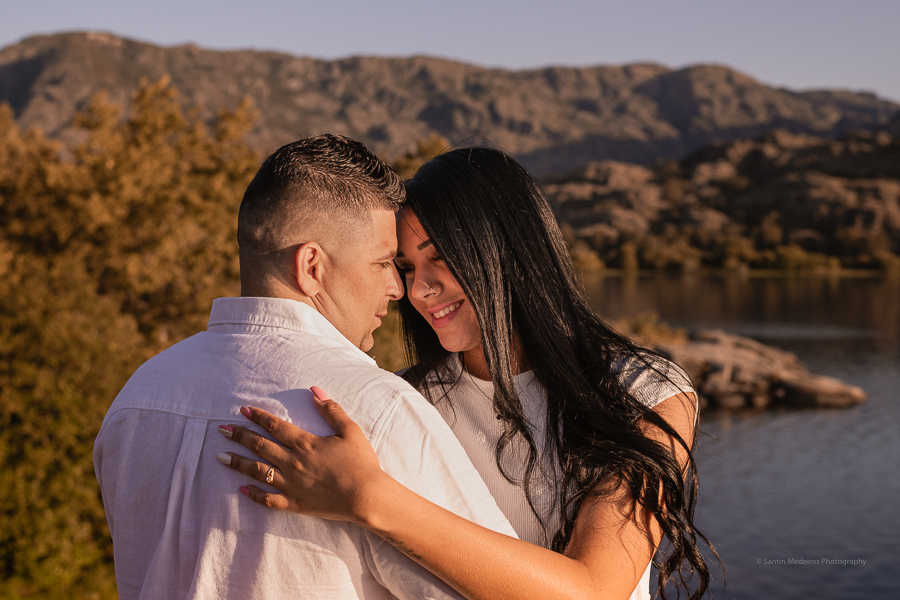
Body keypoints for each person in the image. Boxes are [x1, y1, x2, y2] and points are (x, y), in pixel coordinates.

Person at [218, 147, 716, 600]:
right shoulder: (407, 401)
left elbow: (596, 590)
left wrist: (368, 496)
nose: (418, 291)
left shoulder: (646, 393)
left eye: (440, 257)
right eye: (406, 267)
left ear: (509, 251)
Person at [93, 136, 518, 600]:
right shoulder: (373, 412)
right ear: (311, 266)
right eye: (382, 263)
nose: (399, 289)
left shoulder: (135, 402)